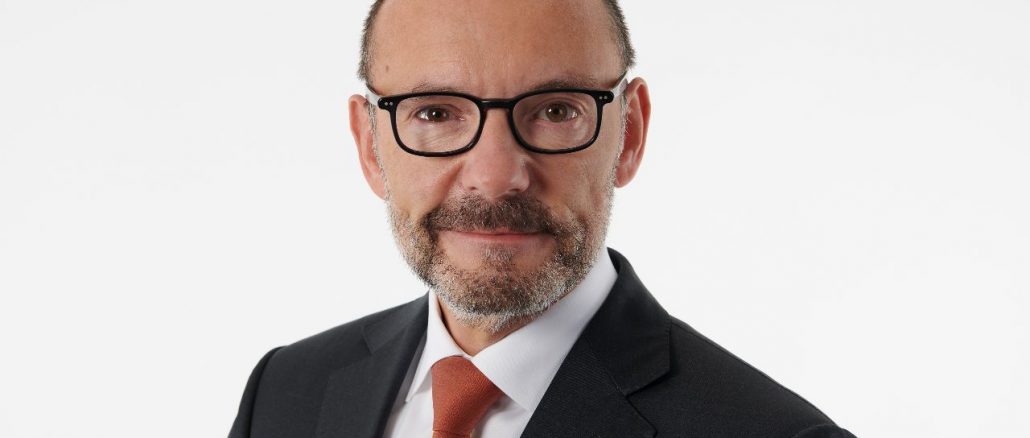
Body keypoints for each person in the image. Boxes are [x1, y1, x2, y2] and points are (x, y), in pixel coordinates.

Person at [229, 1, 855, 437]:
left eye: (556, 111)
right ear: (370, 147)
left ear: (630, 134)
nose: (496, 175)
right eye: (435, 113)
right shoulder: (285, 392)